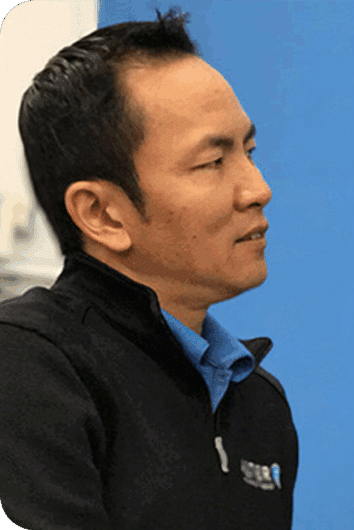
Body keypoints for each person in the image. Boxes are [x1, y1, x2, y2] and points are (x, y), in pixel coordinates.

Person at [0, 12, 296, 530]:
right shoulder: (26, 365)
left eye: (249, 151)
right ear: (102, 214)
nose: (258, 189)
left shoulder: (258, 402)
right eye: (212, 163)